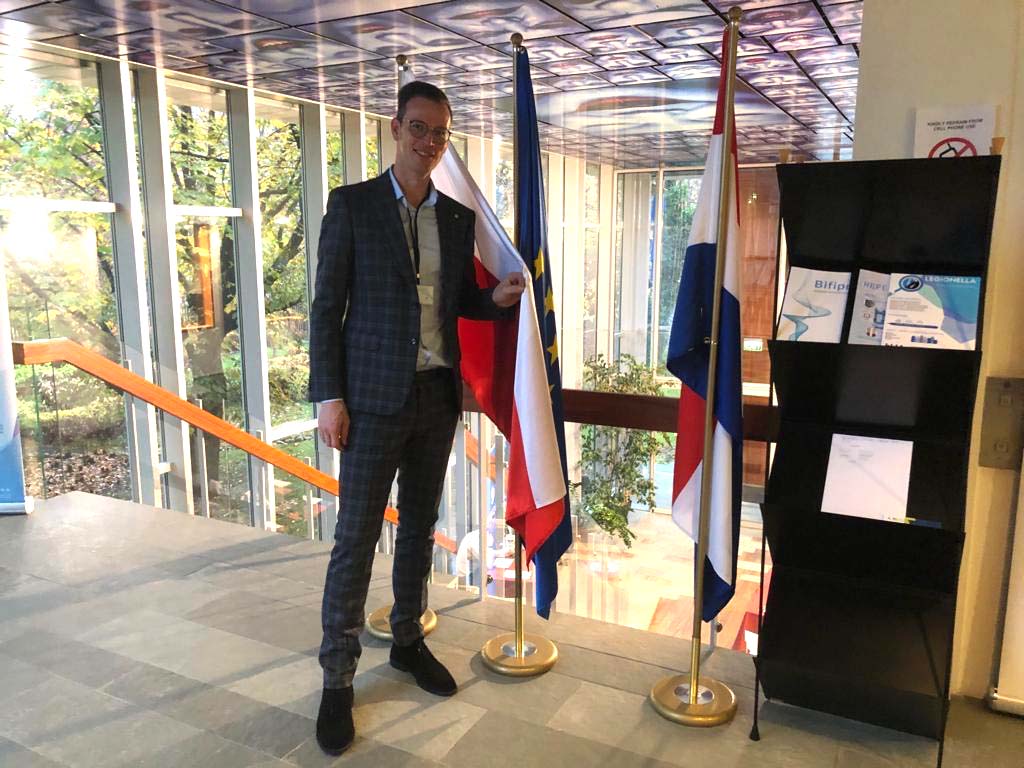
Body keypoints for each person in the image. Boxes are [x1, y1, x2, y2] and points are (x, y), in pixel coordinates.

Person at [308, 80, 525, 756]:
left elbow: (458, 300)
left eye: (440, 133)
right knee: (355, 540)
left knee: (419, 530)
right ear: (396, 128)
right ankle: (338, 679)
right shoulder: (352, 206)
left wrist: (498, 299)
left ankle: (407, 640)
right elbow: (326, 309)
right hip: (371, 402)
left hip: (436, 398)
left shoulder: (454, 218)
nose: (429, 142)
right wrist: (329, 396)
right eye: (420, 128)